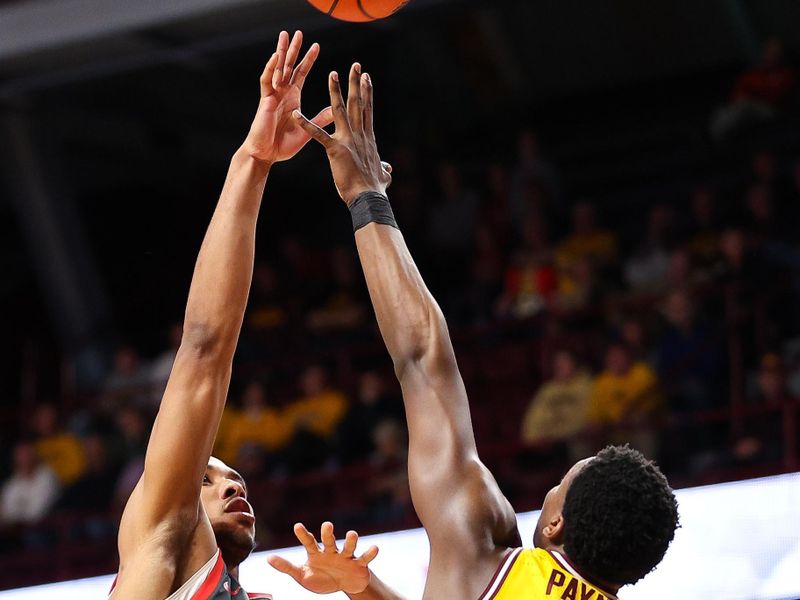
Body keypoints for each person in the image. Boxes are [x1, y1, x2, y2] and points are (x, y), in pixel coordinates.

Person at [295, 61, 679, 598]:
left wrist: (365, 196)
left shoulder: (486, 546)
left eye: (557, 487)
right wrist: (366, 589)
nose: (547, 492)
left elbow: (424, 357)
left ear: (554, 526)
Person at [111, 32, 386, 600]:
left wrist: (365, 591)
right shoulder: (161, 551)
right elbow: (205, 349)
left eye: (229, 475)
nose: (230, 481)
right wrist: (254, 161)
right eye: (208, 478)